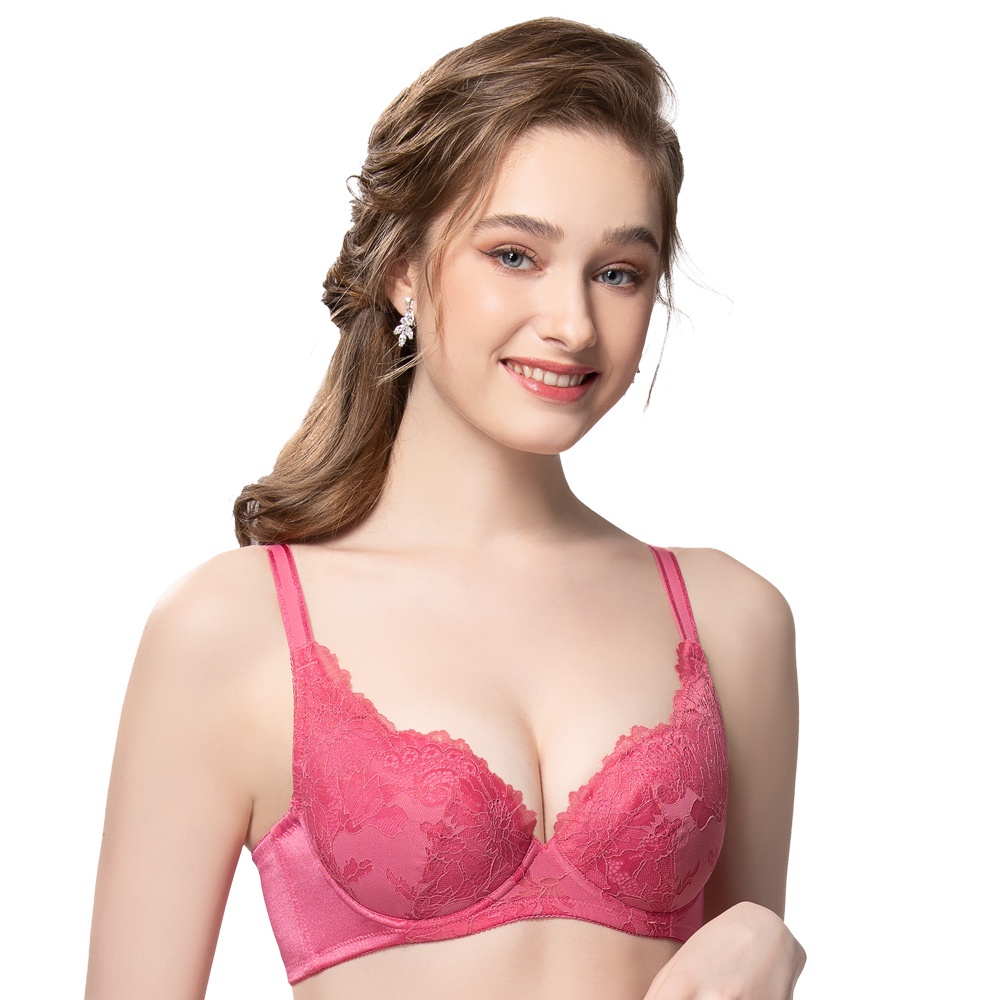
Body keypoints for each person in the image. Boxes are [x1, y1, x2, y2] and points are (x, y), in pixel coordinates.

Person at [85, 17, 804, 1000]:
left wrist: (766, 939)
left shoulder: (732, 620)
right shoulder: (232, 628)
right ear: (402, 268)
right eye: (514, 254)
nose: (572, 323)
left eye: (618, 273)